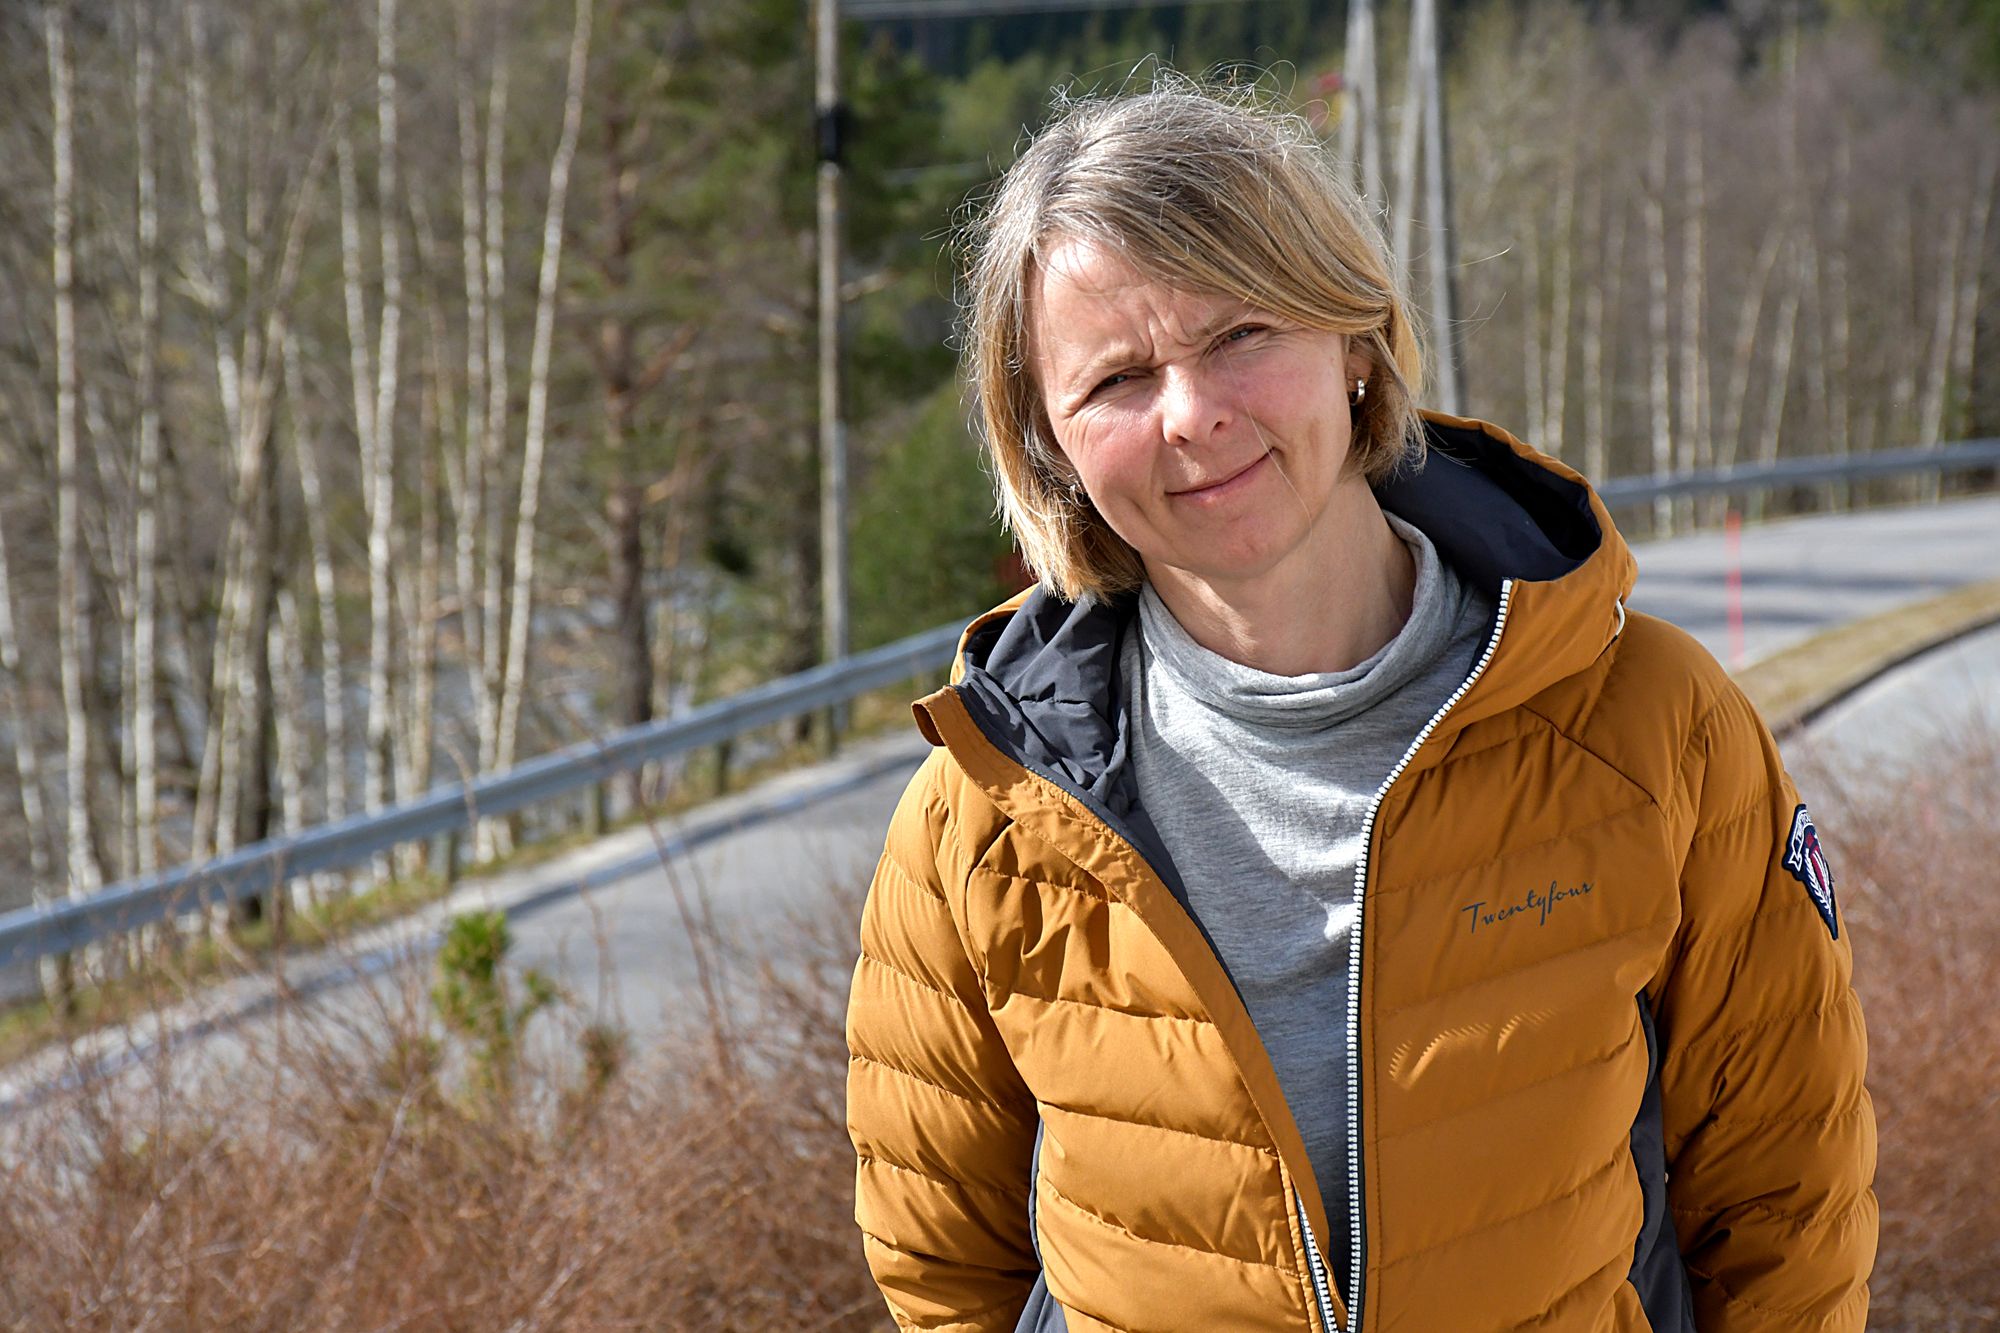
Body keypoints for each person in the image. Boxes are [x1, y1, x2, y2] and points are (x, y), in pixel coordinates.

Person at [844, 80, 1875, 1333]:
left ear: (1351, 339)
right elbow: (943, 1274)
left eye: (1240, 334)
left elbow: (1786, 1202)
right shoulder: (982, 822)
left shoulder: (1649, 728)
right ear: (1048, 445)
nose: (1191, 414)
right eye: (1115, 378)